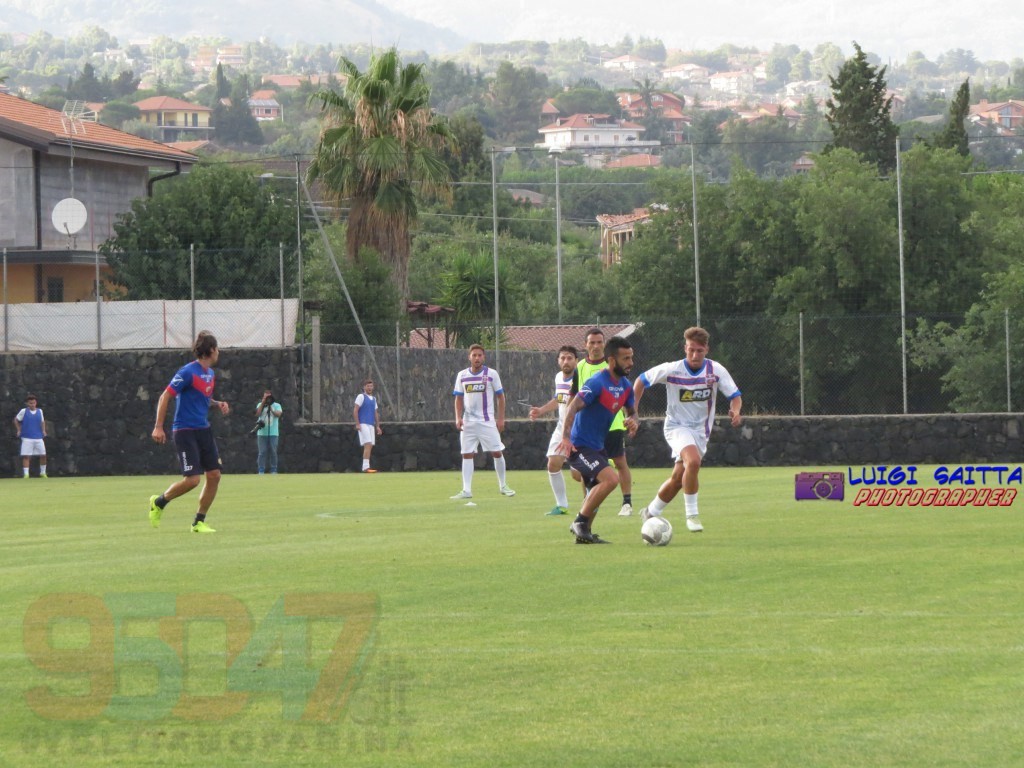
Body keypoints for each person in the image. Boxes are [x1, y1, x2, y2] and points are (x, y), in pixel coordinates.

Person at [633, 326, 743, 533]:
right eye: (691, 349)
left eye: (699, 351)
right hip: (677, 427)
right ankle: (692, 515)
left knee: (678, 479)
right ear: (685, 348)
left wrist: (735, 411)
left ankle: (650, 512)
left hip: (701, 432)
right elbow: (641, 381)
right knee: (693, 462)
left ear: (706, 350)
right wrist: (633, 412)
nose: (694, 354)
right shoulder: (672, 369)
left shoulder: (715, 371)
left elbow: (735, 396)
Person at [557, 336, 639, 544]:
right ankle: (579, 522)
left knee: (595, 490)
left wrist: (633, 421)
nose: (630, 363)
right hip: (579, 446)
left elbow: (632, 411)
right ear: (612, 361)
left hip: (598, 446)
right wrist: (566, 438)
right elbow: (573, 406)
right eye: (626, 359)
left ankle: (585, 534)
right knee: (611, 479)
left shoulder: (626, 386)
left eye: (631, 358)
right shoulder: (597, 383)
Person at [148, 331, 230, 534]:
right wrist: (158, 426)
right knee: (193, 480)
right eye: (217, 348)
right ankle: (159, 502)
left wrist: (217, 403)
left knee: (214, 475)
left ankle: (198, 521)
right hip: (185, 431)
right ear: (211, 350)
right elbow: (165, 396)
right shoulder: (187, 372)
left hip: (204, 430)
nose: (218, 352)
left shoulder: (210, 374)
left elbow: (202, 398)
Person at [578, 327, 635, 516]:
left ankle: (627, 503)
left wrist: (631, 418)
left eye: (599, 342)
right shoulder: (580, 367)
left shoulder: (614, 365)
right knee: (583, 472)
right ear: (585, 345)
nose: (596, 346)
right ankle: (587, 505)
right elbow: (574, 398)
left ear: (604, 344)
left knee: (620, 462)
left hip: (614, 424)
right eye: (592, 342)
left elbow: (628, 400)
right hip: (588, 431)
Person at [451, 343, 515, 499]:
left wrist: (500, 419)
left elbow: (500, 396)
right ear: (469, 357)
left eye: (480, 355)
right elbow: (458, 398)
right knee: (467, 454)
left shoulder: (491, 374)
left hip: (487, 422)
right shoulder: (462, 375)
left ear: (484, 357)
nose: (477, 358)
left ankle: (503, 485)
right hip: (468, 422)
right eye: (474, 355)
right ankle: (466, 490)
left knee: (497, 452)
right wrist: (458, 418)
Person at [529, 345, 581, 516]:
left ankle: (596, 490)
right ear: (558, 361)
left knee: (577, 474)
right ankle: (562, 505)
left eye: (569, 358)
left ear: (576, 361)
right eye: (563, 358)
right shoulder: (559, 377)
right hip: (561, 428)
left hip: (578, 429)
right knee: (553, 464)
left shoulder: (581, 379)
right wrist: (541, 410)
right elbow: (558, 400)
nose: (566, 361)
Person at [13, 394, 47, 478]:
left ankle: (43, 472)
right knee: (26, 455)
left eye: (34, 403)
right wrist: (19, 430)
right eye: (30, 403)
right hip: (27, 437)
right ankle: (26, 474)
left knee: (43, 454)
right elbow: (16, 420)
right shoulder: (23, 411)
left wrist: (43, 430)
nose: (32, 404)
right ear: (27, 403)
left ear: (36, 403)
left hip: (38, 437)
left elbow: (42, 422)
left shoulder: (40, 411)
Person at [353, 379, 382, 473]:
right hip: (363, 423)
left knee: (370, 445)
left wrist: (377, 426)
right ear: (364, 387)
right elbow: (355, 410)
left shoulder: (374, 399)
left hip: (371, 424)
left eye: (371, 386)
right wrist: (357, 423)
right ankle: (365, 467)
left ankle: (366, 466)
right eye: (368, 386)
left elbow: (375, 413)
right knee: (368, 444)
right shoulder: (361, 397)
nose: (370, 388)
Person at [254, 389, 283, 474]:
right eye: (265, 397)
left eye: (268, 397)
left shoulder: (277, 405)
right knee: (262, 452)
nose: (266, 398)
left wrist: (271, 408)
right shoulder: (260, 404)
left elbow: (279, 414)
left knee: (273, 451)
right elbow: (257, 414)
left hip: (273, 433)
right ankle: (261, 470)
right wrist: (263, 403)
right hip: (262, 433)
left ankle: (274, 469)